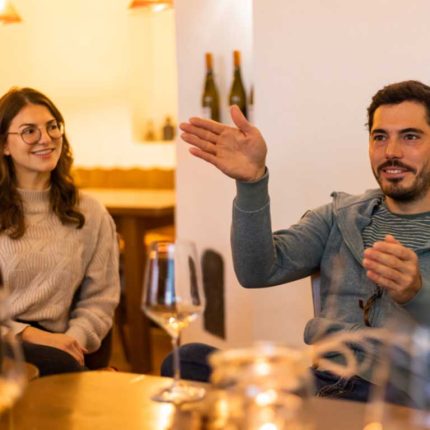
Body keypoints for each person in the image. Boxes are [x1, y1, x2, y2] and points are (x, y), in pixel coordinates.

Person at [168, 80, 430, 402]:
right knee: (187, 359)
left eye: (410, 137)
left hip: (400, 399)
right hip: (320, 385)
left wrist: (417, 293)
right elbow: (257, 271)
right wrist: (251, 183)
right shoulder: (340, 215)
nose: (391, 152)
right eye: (380, 137)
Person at [0, 87, 120, 376]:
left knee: (57, 363)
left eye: (52, 127)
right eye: (29, 131)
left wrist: (72, 343)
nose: (46, 138)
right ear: (4, 145)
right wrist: (29, 335)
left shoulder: (90, 213)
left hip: (60, 348)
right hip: (7, 341)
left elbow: (100, 300)